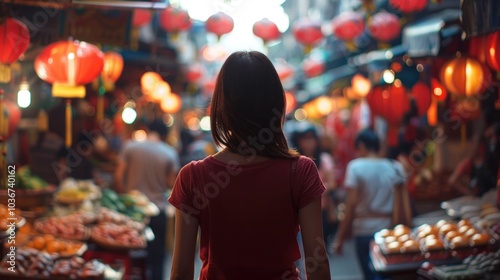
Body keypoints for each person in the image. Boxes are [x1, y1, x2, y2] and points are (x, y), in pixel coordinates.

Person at [168, 51, 330, 280]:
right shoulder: (301, 171)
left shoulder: (193, 176)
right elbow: (318, 266)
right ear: (277, 103)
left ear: (221, 107)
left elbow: (181, 272)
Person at [333, 129, 406, 280]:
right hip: (388, 230)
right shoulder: (394, 166)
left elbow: (351, 204)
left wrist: (340, 237)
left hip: (363, 230)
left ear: (361, 145)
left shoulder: (355, 167)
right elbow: (401, 204)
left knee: (370, 275)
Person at [114, 118, 180, 280]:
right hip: (157, 211)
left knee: (131, 255)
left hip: (132, 212)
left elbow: (118, 176)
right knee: (156, 258)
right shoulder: (170, 152)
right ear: (164, 135)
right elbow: (172, 184)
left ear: (148, 130)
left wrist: (125, 199)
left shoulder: (130, 146)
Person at [290, 121, 338, 245]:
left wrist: (312, 191)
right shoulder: (294, 161)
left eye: (311, 138)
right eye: (305, 139)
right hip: (300, 211)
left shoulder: (324, 159)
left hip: (322, 209)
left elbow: (332, 184)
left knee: (320, 244)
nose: (309, 142)